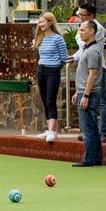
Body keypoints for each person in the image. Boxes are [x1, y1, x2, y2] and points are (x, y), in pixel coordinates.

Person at [69, 3, 106, 142]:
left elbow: (87, 47)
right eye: (78, 14)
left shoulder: (95, 28)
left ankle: (103, 132)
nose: (79, 17)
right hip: (85, 66)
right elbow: (83, 49)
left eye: (82, 15)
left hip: (96, 69)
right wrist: (74, 57)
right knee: (87, 105)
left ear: (90, 15)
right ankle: (88, 132)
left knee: (100, 101)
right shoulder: (85, 28)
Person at [71, 20, 104, 167]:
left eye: (83, 30)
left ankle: (89, 158)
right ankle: (96, 157)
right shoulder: (86, 48)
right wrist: (79, 92)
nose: (80, 32)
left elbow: (92, 74)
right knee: (92, 126)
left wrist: (85, 95)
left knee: (87, 128)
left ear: (91, 31)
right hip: (84, 91)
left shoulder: (93, 50)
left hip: (90, 94)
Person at [32, 12, 67, 142]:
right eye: (39, 22)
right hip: (41, 70)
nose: (40, 24)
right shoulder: (40, 38)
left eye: (43, 22)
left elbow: (63, 58)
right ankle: (49, 129)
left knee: (50, 100)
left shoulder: (58, 38)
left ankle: (52, 130)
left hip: (53, 71)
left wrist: (55, 68)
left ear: (50, 22)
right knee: (45, 100)